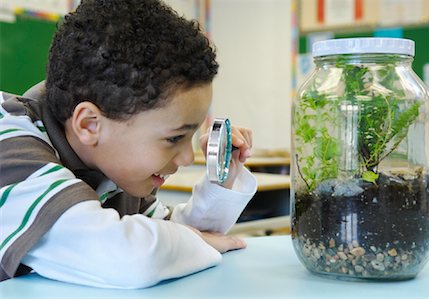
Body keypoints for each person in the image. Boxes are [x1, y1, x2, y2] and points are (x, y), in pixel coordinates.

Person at [0, 0, 257, 288]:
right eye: (174, 137)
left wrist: (221, 183)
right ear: (89, 125)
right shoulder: (9, 144)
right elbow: (130, 258)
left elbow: (169, 240)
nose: (187, 157)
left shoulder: (112, 167)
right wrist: (193, 242)